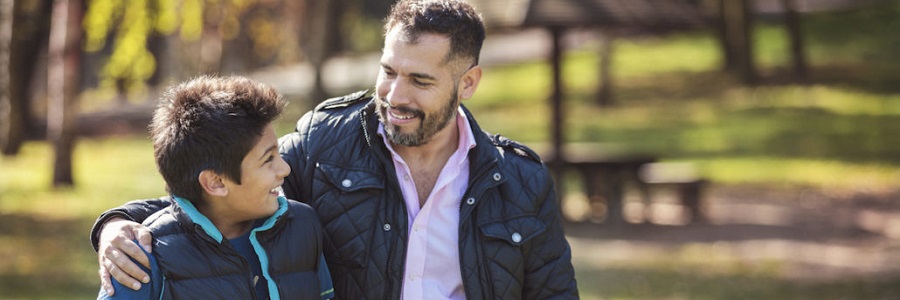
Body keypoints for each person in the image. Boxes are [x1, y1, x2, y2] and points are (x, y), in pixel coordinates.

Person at [91, 1, 579, 299]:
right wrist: (117, 223)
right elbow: (221, 185)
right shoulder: (327, 143)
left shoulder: (522, 183)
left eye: (420, 80)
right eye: (388, 71)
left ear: (467, 82)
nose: (394, 96)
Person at [95, 75, 334, 299]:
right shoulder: (139, 258)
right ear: (216, 183)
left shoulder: (303, 227)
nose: (285, 169)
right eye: (268, 159)